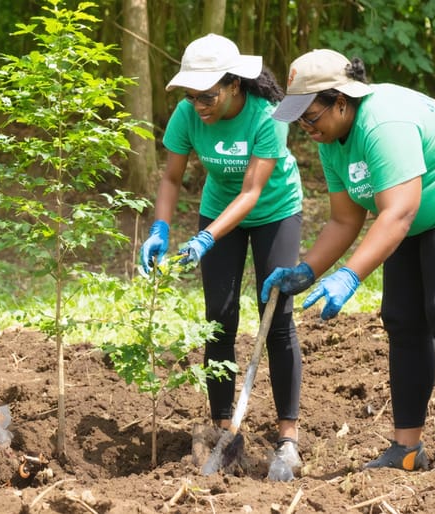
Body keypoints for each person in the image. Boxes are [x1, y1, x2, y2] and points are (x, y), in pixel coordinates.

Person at [263, 49, 435, 473]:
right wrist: (307, 269)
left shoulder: (384, 123)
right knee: (401, 317)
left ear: (341, 101)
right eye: (297, 120)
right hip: (413, 215)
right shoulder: (332, 139)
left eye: (309, 116)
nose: (304, 128)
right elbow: (345, 220)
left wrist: (350, 275)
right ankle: (406, 448)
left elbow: (398, 213)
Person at [139, 34, 305, 480]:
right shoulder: (186, 114)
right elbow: (172, 178)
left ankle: (288, 437)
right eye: (192, 96)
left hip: (274, 210)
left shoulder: (268, 115)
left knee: (277, 315)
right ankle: (220, 430)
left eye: (207, 96)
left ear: (234, 84)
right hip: (216, 210)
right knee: (219, 318)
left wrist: (206, 238)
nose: (199, 105)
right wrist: (161, 227)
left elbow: (252, 192)